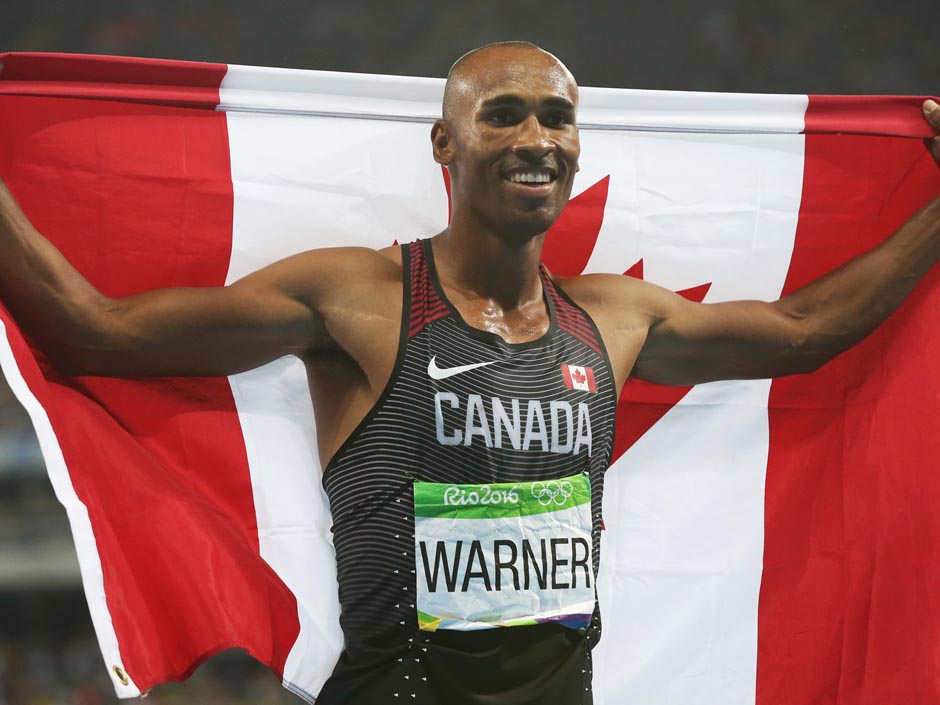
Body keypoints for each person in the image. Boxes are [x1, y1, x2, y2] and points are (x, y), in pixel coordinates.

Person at [1, 41, 939, 705]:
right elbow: (103, 333)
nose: (539, 135)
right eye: (503, 114)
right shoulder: (359, 298)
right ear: (444, 143)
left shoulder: (613, 316)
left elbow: (802, 329)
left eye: (559, 117)